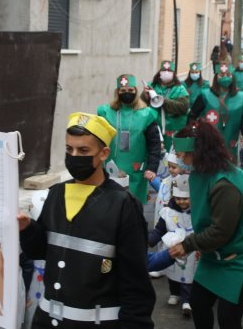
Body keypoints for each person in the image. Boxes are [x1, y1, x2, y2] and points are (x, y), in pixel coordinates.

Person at [18, 112, 155, 328]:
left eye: (83, 150)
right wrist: (27, 229)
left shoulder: (124, 205)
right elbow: (40, 252)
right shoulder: (56, 194)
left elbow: (136, 283)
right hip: (45, 320)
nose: (73, 156)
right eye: (69, 149)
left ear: (103, 154)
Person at [168, 121, 243, 327]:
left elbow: (220, 231)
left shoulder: (225, 184)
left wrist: (187, 245)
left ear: (200, 152)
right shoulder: (201, 174)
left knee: (228, 319)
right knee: (198, 303)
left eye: (184, 155)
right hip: (217, 254)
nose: (180, 159)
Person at [98, 74, 160, 204]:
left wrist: (152, 167)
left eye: (130, 90)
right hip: (112, 169)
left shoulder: (146, 114)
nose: (127, 94)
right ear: (118, 92)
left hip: (136, 171)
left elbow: (154, 144)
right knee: (111, 205)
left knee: (133, 207)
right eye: (123, 91)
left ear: (136, 92)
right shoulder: (106, 112)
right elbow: (98, 140)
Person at [149, 174, 195, 318]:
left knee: (189, 274)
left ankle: (187, 300)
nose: (182, 202)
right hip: (171, 248)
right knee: (172, 272)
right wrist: (150, 240)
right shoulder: (168, 212)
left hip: (191, 248)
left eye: (185, 198)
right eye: (178, 198)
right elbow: (159, 230)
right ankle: (174, 293)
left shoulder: (198, 212)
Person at [188, 63, 243, 163]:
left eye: (228, 75)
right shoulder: (205, 94)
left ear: (232, 77)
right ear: (216, 77)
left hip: (230, 141)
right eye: (221, 75)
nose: (225, 78)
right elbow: (192, 116)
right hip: (208, 143)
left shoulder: (241, 97)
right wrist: (194, 132)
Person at [142, 61, 189, 151]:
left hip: (174, 131)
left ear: (174, 74)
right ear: (159, 73)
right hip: (154, 129)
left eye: (169, 71)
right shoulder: (152, 86)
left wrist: (163, 101)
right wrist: (145, 97)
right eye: (164, 70)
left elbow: (183, 107)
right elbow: (140, 106)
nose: (166, 73)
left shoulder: (180, 89)